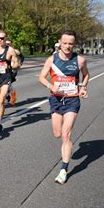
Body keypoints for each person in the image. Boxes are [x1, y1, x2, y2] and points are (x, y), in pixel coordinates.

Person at [39, 30, 89, 184]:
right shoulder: (51, 59)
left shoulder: (80, 60)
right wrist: (50, 85)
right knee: (57, 133)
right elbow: (41, 77)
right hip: (55, 99)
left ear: (74, 44)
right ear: (60, 43)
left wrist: (82, 87)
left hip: (72, 100)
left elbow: (86, 75)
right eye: (65, 43)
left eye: (71, 44)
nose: (67, 46)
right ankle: (64, 164)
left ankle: (63, 170)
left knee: (66, 134)